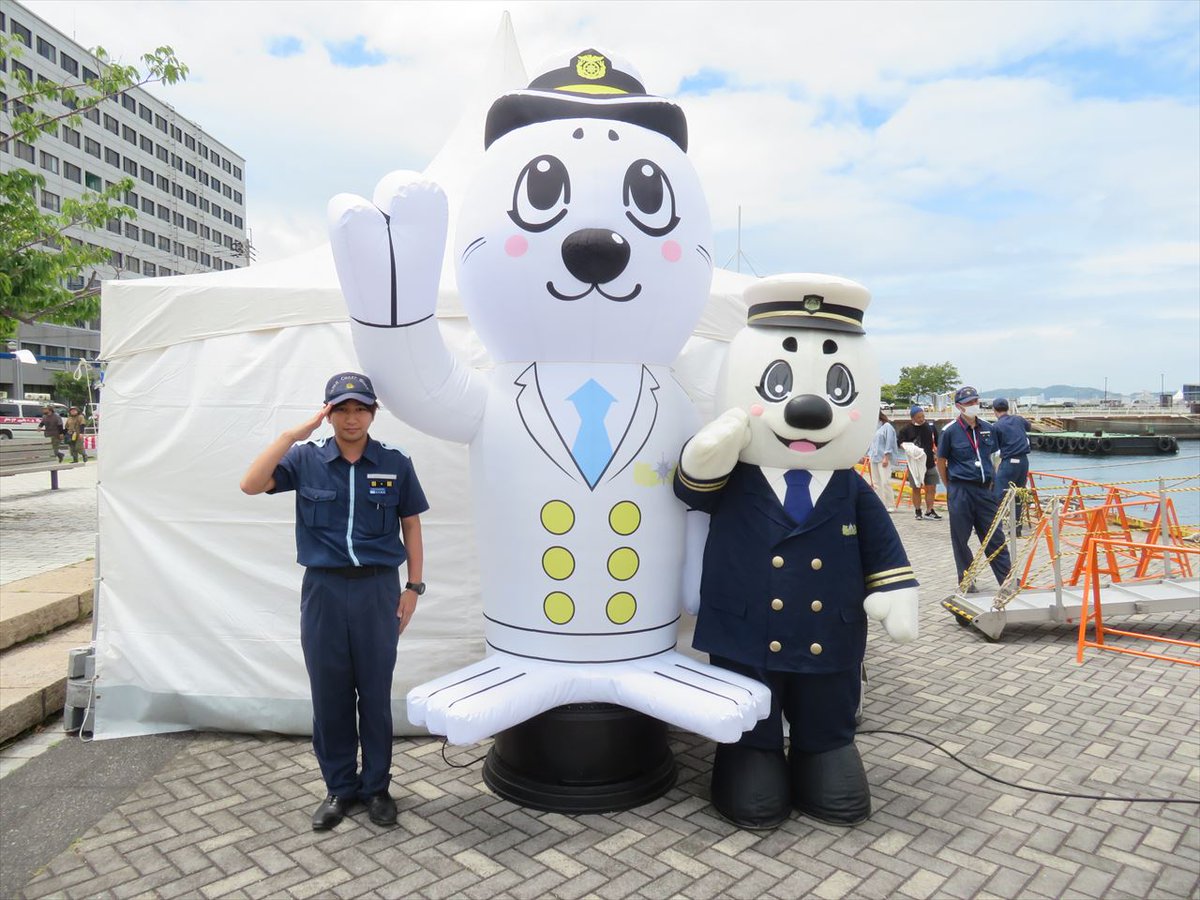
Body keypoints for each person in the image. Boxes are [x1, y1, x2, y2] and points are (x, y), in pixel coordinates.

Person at [240, 372, 428, 832]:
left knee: (375, 694)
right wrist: (290, 434)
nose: (351, 418)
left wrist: (413, 587)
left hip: (378, 589)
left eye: (360, 408)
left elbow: (412, 525)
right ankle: (340, 787)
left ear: (373, 413)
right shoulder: (304, 460)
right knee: (330, 694)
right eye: (340, 409)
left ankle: (377, 787)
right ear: (326, 413)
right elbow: (250, 484)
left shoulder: (394, 463)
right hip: (323, 590)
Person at [936, 386, 1011, 592]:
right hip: (961, 490)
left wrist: (992, 478)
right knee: (960, 539)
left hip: (985, 491)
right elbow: (941, 461)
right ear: (959, 406)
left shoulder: (989, 428)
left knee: (995, 537)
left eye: (975, 401)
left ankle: (1007, 582)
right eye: (969, 403)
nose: (973, 406)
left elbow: (994, 456)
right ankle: (967, 582)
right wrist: (949, 486)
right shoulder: (949, 431)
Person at [990, 398, 1031, 535]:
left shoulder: (996, 426)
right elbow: (1029, 426)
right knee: (1019, 494)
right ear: (1008, 408)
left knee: (998, 495)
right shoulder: (1018, 419)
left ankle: (996, 527)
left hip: (1009, 462)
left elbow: (993, 447)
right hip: (1023, 461)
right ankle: (1017, 529)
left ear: (994, 410)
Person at [897, 405, 942, 521]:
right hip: (914, 465)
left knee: (931, 487)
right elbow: (900, 442)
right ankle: (918, 510)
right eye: (919, 417)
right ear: (913, 418)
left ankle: (930, 510)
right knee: (916, 488)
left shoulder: (930, 427)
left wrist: (938, 453)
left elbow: (938, 442)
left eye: (923, 416)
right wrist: (908, 447)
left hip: (930, 462)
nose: (922, 419)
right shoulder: (906, 429)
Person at [866, 410, 898, 508]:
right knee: (876, 483)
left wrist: (886, 457)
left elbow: (890, 442)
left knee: (885, 482)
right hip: (873, 457)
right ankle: (880, 504)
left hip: (883, 458)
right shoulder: (873, 427)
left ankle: (890, 504)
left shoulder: (887, 427)